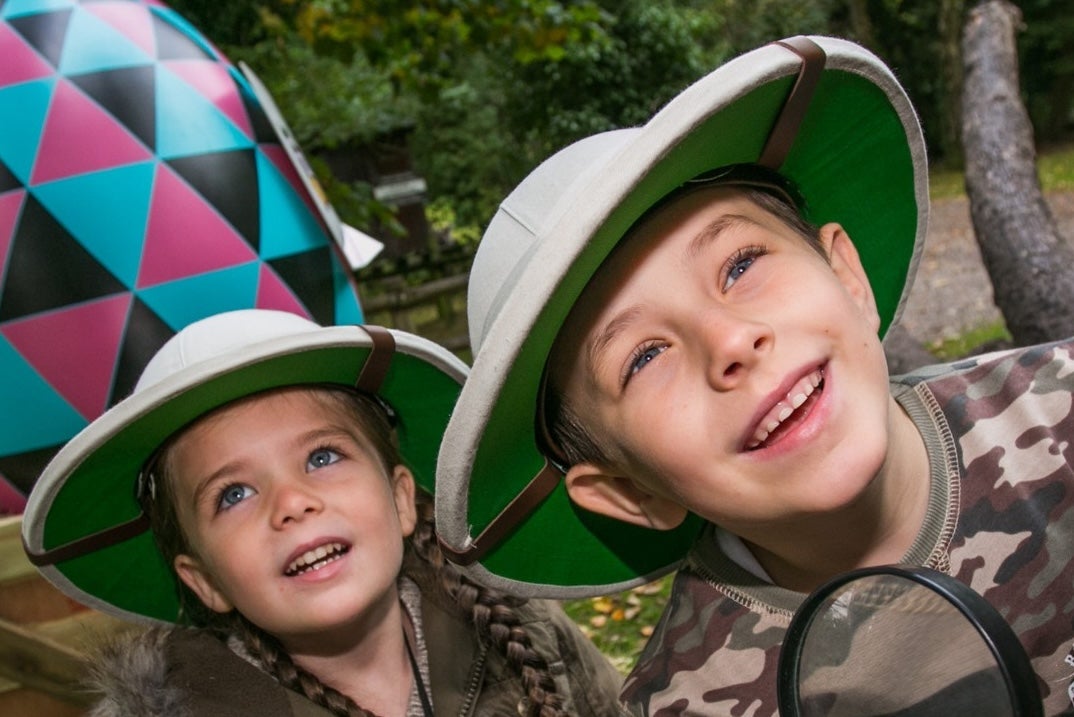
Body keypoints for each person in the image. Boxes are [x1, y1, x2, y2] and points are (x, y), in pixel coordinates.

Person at [433, 35, 1074, 715]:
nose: (730, 340)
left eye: (740, 266)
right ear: (628, 490)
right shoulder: (688, 700)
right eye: (644, 357)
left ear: (848, 277)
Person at [22, 309, 627, 716]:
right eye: (232, 494)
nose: (291, 504)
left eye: (322, 457)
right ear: (203, 580)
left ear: (399, 499)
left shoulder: (523, 629)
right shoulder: (183, 705)